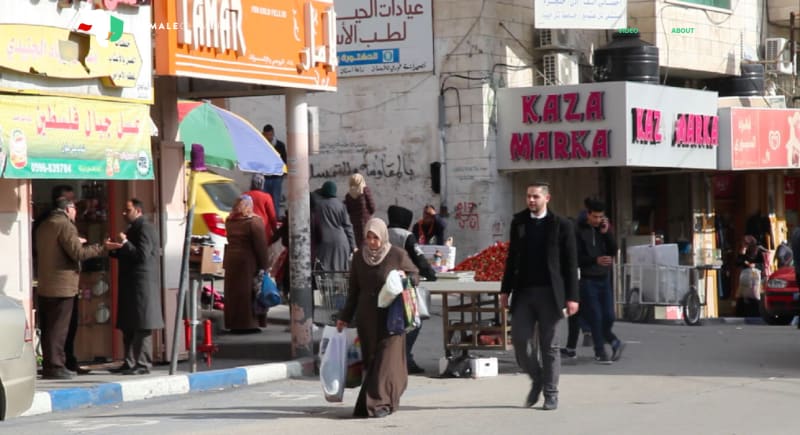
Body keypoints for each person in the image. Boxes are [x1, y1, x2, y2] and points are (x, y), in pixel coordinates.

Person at [500, 182, 578, 411]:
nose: (531, 200)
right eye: (528, 196)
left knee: (549, 346)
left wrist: (573, 297)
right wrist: (505, 290)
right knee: (520, 341)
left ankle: (551, 394)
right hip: (523, 292)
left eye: (535, 196)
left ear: (547, 198)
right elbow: (512, 258)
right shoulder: (519, 222)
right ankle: (537, 378)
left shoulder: (561, 225)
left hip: (551, 294)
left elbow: (571, 264)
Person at [336, 217, 419, 418]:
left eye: (375, 238)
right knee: (373, 361)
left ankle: (378, 404)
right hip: (367, 318)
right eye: (368, 237)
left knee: (386, 361)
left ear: (383, 236)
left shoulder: (397, 255)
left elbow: (415, 275)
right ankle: (382, 401)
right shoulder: (358, 258)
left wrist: (403, 276)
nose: (372, 242)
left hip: (393, 316)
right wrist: (344, 317)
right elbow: (353, 291)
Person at [36, 198, 106, 380]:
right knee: (59, 329)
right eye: (75, 208)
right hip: (63, 286)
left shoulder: (45, 225)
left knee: (49, 329)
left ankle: (50, 365)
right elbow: (78, 254)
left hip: (45, 284)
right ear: (68, 209)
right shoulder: (65, 225)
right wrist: (101, 247)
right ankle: (56, 366)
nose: (76, 212)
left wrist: (76, 242)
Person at [105, 199, 164, 375]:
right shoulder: (132, 228)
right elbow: (128, 254)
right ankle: (129, 361)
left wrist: (124, 243)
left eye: (127, 210)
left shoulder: (145, 227)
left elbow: (142, 255)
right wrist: (113, 249)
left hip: (142, 284)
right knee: (129, 324)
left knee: (142, 325)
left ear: (138, 210)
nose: (124, 213)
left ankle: (143, 363)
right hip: (131, 284)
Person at [387, 205, 438, 374]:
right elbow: (419, 259)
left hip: (383, 286)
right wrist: (431, 275)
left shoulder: (382, 233)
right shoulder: (406, 236)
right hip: (403, 286)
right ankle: (405, 358)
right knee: (414, 321)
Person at [574, 198, 624, 364]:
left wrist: (606, 233)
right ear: (588, 214)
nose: (597, 220)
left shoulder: (603, 228)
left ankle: (613, 340)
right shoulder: (578, 230)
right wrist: (595, 260)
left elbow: (612, 249)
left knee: (609, 316)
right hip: (588, 280)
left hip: (604, 278)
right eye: (594, 217)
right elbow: (576, 257)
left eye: (600, 217)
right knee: (595, 316)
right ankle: (600, 351)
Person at [221, 194, 270, 332]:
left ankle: (234, 323)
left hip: (231, 259)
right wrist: (264, 265)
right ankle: (248, 324)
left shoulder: (230, 221)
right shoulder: (254, 222)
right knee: (248, 293)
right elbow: (260, 246)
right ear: (249, 206)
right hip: (248, 261)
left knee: (233, 293)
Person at [313, 181, 356, 271]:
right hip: (342, 243)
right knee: (340, 273)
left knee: (325, 275)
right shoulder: (341, 205)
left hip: (324, 243)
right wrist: (353, 246)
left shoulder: (317, 206)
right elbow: (348, 227)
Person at [344, 173, 376, 248]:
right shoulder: (365, 190)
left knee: (359, 242)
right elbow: (372, 206)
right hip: (366, 221)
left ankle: (361, 257)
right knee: (369, 241)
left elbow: (348, 210)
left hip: (355, 222)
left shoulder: (348, 195)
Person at [262, 124, 287, 216]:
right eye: (266, 135)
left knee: (275, 201)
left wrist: (282, 174)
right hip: (265, 177)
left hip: (276, 178)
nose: (268, 137)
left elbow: (284, 161)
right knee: (265, 202)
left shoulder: (280, 145)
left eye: (270, 134)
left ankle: (275, 220)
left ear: (273, 134)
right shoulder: (261, 145)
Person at [247, 174, 278, 242]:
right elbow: (272, 217)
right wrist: (275, 231)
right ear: (262, 184)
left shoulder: (244, 195)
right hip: (263, 233)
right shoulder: (266, 197)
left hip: (247, 232)